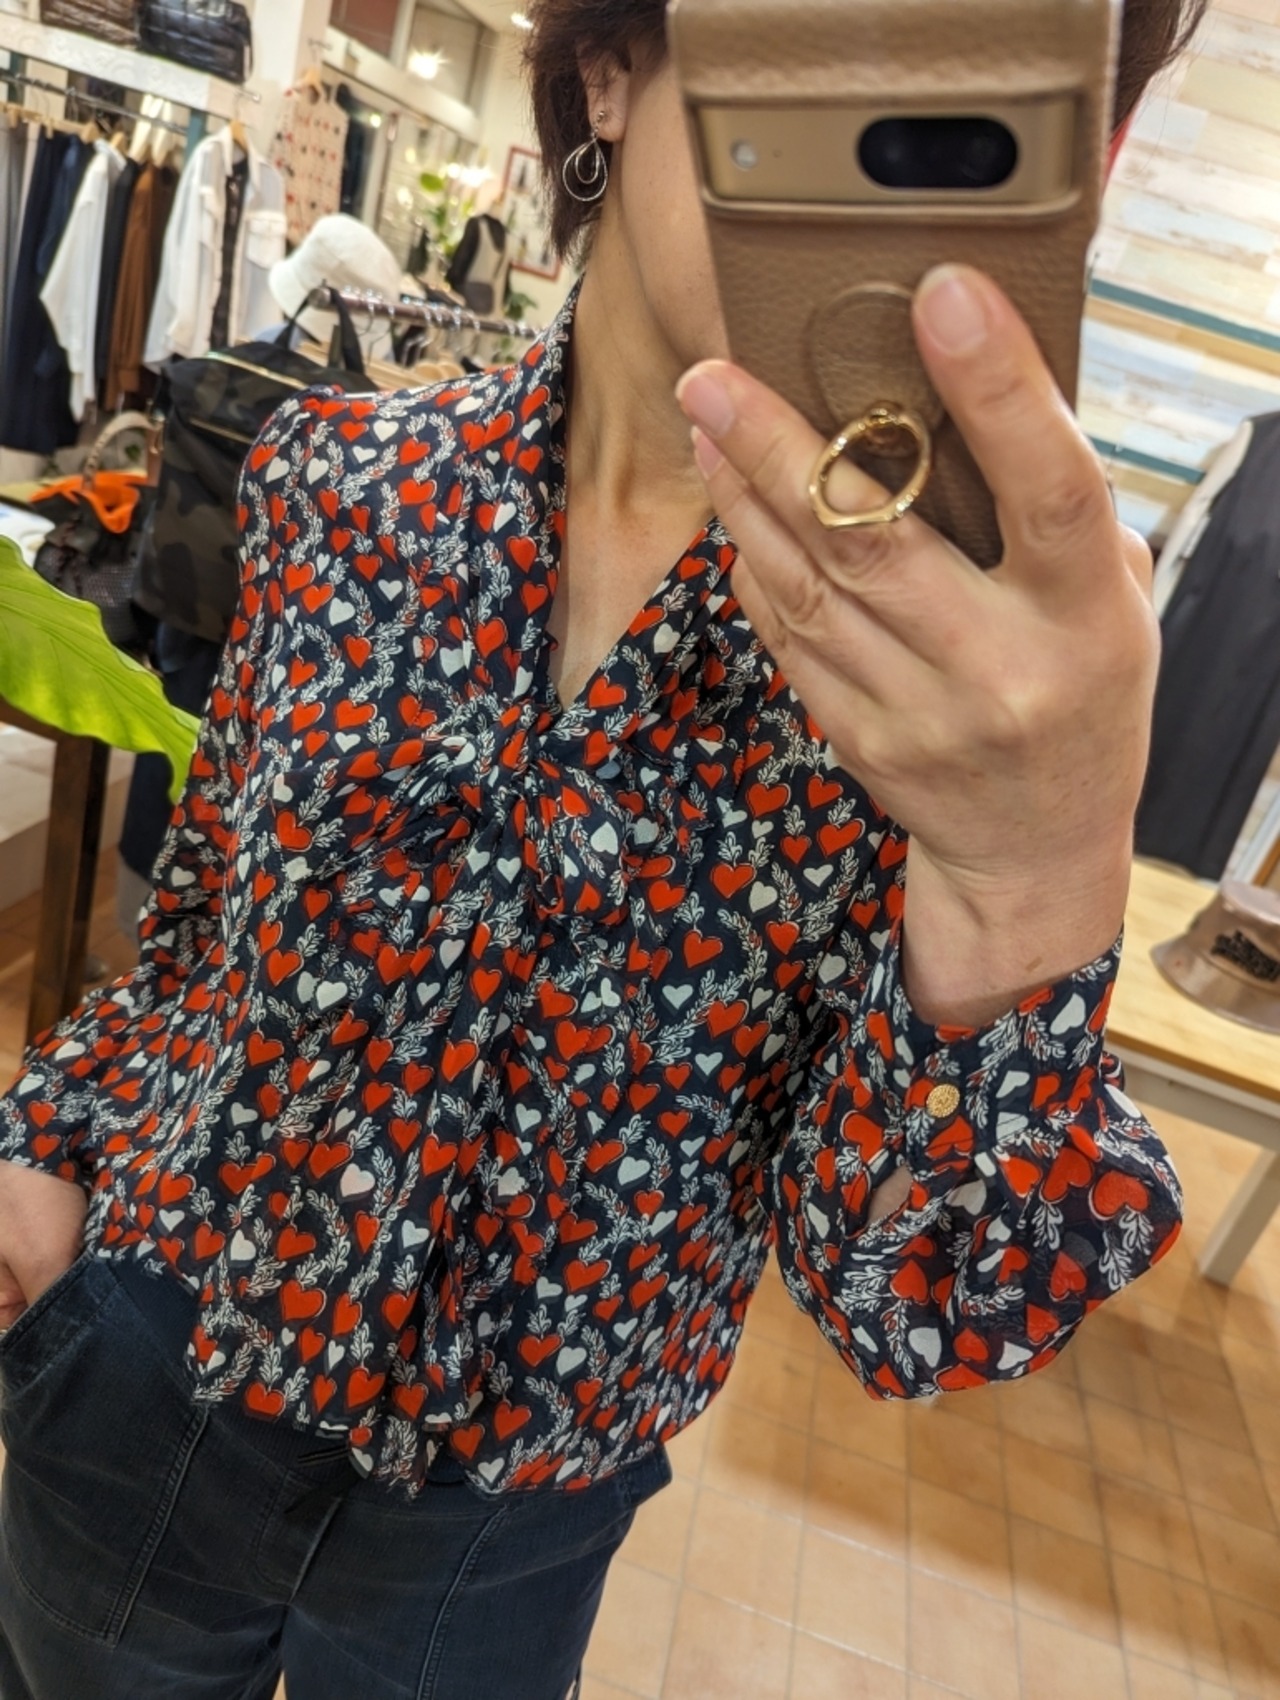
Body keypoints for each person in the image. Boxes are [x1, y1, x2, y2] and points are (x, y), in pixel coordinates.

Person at [0, 0, 1206, 1695]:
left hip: (502, 1531)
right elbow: (205, 939)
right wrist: (47, 1146)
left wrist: (1035, 878)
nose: (900, 164)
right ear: (614, 70)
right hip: (150, 1382)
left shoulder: (958, 697)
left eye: (997, 112)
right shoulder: (338, 486)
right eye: (842, 53)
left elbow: (910, 1306)